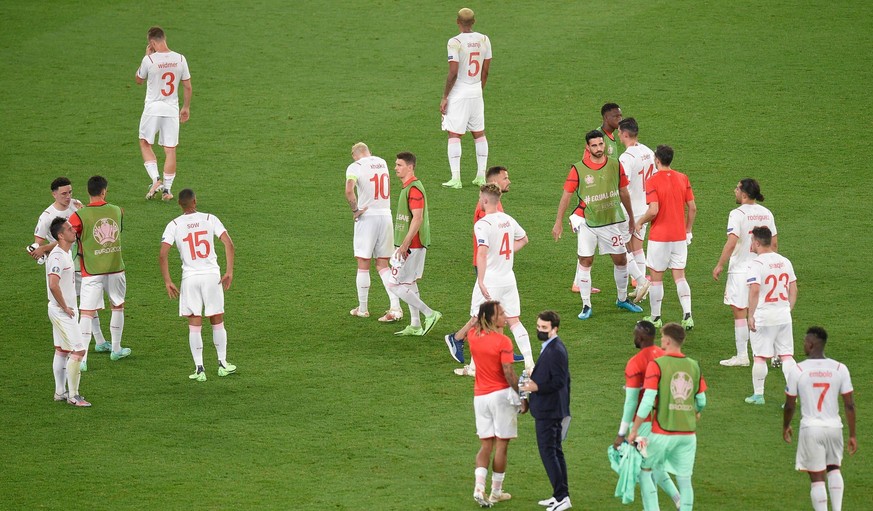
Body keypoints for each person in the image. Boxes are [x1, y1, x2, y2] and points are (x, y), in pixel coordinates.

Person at [552, 130, 643, 320]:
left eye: (601, 144)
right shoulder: (577, 169)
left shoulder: (615, 165)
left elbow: (624, 192)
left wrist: (632, 220)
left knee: (621, 260)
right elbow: (566, 196)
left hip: (611, 221)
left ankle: (622, 299)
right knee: (586, 261)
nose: (599, 148)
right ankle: (586, 305)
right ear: (587, 147)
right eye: (594, 145)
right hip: (588, 223)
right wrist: (558, 222)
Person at [446, 167, 523, 375]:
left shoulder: (495, 205)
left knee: (494, 310)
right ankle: (459, 339)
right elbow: (487, 245)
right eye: (505, 178)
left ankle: (499, 349)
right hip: (487, 267)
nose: (509, 181)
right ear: (495, 181)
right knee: (484, 313)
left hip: (493, 265)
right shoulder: (486, 209)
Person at [30, 177, 109, 370]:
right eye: (64, 193)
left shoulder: (76, 205)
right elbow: (37, 245)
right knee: (67, 306)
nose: (68, 197)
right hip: (62, 268)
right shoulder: (47, 216)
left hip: (80, 262)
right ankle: (72, 345)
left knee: (89, 301)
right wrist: (41, 250)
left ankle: (99, 341)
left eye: (70, 192)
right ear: (54, 194)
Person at [628, 323, 707, 511]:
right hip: (688, 435)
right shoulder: (693, 365)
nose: (661, 340)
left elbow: (647, 401)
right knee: (685, 480)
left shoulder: (658, 365)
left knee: (645, 471)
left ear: (669, 340)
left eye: (663, 337)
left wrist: (635, 428)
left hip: (663, 432)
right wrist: (694, 411)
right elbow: (702, 400)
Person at [159, 189, 236, 381]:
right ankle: (222, 363)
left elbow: (162, 254)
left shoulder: (174, 225)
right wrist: (229, 271)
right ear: (195, 201)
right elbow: (229, 244)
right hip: (212, 276)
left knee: (194, 323)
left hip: (190, 278)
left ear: (179, 204)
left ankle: (199, 369)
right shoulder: (210, 218)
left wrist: (168, 281)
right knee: (217, 319)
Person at [784, 327, 857, 511]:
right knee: (834, 468)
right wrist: (853, 435)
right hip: (834, 427)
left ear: (811, 344)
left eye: (805, 341)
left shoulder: (798, 370)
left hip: (811, 428)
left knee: (817, 478)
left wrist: (786, 426)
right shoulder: (840, 368)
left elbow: (790, 404)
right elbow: (849, 404)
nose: (804, 345)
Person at [612, 321, 681, 510]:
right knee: (656, 465)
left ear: (641, 337)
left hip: (645, 425)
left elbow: (631, 402)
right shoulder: (664, 355)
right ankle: (680, 501)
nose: (634, 337)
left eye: (635, 334)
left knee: (645, 472)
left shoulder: (636, 363)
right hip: (669, 421)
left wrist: (621, 433)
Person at [712, 179, 777, 367]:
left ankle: (742, 356)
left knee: (740, 312)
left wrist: (720, 265)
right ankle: (768, 353)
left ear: (745, 194)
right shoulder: (766, 213)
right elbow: (774, 244)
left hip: (741, 270)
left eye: (737, 189)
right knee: (762, 310)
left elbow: (732, 242)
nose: (734, 191)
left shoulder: (737, 214)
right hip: (763, 268)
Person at [69, 176, 132, 362]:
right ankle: (116, 349)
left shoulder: (78, 216)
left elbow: (72, 235)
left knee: (87, 312)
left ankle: (83, 359)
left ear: (88, 192)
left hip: (91, 269)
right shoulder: (117, 211)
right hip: (115, 268)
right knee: (117, 306)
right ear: (104, 191)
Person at [467, 301, 523, 507]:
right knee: (501, 445)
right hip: (500, 396)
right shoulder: (503, 342)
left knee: (485, 445)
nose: (505, 316)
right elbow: (508, 372)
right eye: (500, 313)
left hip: (480, 397)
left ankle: (479, 487)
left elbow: (470, 328)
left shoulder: (474, 337)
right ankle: (496, 492)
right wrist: (522, 395)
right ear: (492, 318)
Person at [636, 145, 697, 330]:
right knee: (680, 277)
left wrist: (640, 221)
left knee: (657, 278)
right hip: (679, 237)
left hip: (660, 237)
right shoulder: (682, 178)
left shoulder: (652, 181)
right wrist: (688, 230)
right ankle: (687, 315)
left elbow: (653, 210)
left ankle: (655, 317)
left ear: (657, 159)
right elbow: (692, 208)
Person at [344, 142, 402, 322]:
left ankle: (363, 309)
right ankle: (395, 307)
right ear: (369, 152)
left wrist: (355, 210)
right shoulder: (382, 162)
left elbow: (349, 190)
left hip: (367, 218)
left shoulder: (355, 166)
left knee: (363, 262)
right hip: (385, 216)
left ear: (355, 155)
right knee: (383, 265)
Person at [521, 311, 572, 511]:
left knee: (549, 453)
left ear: (555, 328)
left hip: (549, 410)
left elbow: (559, 381)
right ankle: (560, 494)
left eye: (544, 328)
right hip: (551, 409)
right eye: (538, 327)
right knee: (555, 452)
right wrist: (537, 375)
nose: (540, 331)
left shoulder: (556, 350)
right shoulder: (550, 347)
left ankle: (562, 498)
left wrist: (536, 386)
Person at [388, 152, 442, 336]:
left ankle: (430, 313)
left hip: (412, 245)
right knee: (409, 283)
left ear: (410, 167)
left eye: (399, 165)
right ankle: (416, 324)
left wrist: (404, 245)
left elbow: (417, 218)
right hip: (411, 243)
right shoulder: (408, 188)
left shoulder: (414, 190)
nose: (395, 168)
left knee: (394, 284)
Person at [136, 26, 192, 201]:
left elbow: (138, 79)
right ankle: (167, 190)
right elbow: (188, 86)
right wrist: (186, 107)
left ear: (152, 43)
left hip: (153, 108)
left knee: (145, 143)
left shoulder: (149, 60)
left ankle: (156, 180)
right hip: (171, 109)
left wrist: (146, 56)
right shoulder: (180, 58)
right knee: (170, 149)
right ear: (164, 39)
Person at [743, 226, 797, 405]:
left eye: (752, 241)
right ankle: (791, 397)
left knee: (759, 356)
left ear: (757, 243)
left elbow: (755, 290)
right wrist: (787, 310)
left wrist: (751, 315)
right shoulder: (784, 261)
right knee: (787, 356)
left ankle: (758, 395)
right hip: (783, 315)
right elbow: (793, 288)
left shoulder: (756, 264)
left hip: (764, 317)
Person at [440, 7, 492, 190]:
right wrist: (478, 88)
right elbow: (485, 70)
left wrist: (445, 96)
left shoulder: (454, 42)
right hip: (476, 91)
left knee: (454, 133)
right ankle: (480, 176)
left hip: (460, 92)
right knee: (479, 132)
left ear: (457, 22)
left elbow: (453, 72)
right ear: (474, 21)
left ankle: (456, 178)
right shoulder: (484, 39)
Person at [45, 217, 90, 406]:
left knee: (62, 351)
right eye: (69, 229)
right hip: (63, 311)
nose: (74, 230)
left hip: (63, 309)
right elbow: (53, 284)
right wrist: (65, 307)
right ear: (61, 235)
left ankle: (60, 392)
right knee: (78, 350)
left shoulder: (64, 250)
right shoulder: (57, 257)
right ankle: (73, 396)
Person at [617, 118, 656, 302]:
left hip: (629, 209)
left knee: (620, 246)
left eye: (619, 132)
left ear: (625, 134)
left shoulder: (626, 158)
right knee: (638, 246)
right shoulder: (648, 151)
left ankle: (641, 281)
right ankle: (641, 284)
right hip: (646, 207)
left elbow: (622, 186)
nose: (617, 135)